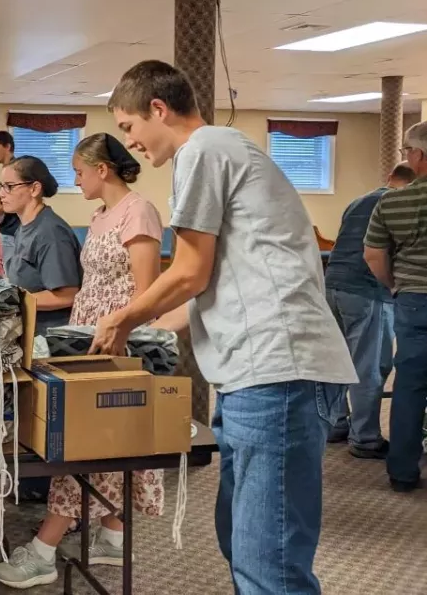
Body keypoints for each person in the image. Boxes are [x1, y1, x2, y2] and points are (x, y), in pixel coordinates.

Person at [90, 60, 356, 594]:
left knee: (269, 561)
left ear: (158, 110)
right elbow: (205, 293)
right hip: (252, 377)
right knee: (242, 542)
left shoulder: (205, 150)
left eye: (128, 126)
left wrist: (122, 317)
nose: (131, 143)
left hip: (275, 374)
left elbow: (189, 272)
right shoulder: (223, 151)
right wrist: (128, 339)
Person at [0, 133, 165, 589]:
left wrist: (125, 341)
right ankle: (111, 535)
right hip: (87, 335)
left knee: (89, 443)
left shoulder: (138, 211)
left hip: (117, 341)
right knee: (101, 444)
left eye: (80, 171)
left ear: (102, 169)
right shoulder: (101, 214)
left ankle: (45, 549)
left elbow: (147, 291)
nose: (74, 179)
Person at [325, 162, 415, 458]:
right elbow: (379, 253)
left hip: (331, 286)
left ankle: (335, 424)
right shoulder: (398, 203)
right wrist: (392, 287)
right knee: (369, 367)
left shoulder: (358, 201)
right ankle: (365, 439)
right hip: (367, 292)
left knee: (337, 363)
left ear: (390, 177)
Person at [364, 122, 427, 492]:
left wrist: (394, 285)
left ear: (418, 155)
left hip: (414, 301)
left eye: (406, 152)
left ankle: (403, 472)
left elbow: (373, 255)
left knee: (410, 386)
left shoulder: (392, 200)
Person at [0, 156, 82, 336]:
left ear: (34, 189)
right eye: (1, 186)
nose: (2, 194)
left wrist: (11, 298)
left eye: (9, 186)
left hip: (49, 337)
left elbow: (67, 295)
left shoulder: (50, 232)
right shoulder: (25, 226)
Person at [0, 131, 21, 250]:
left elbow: (20, 198)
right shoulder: (6, 169)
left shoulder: (17, 168)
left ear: (7, 146)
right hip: (7, 228)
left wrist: (1, 208)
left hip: (14, 230)